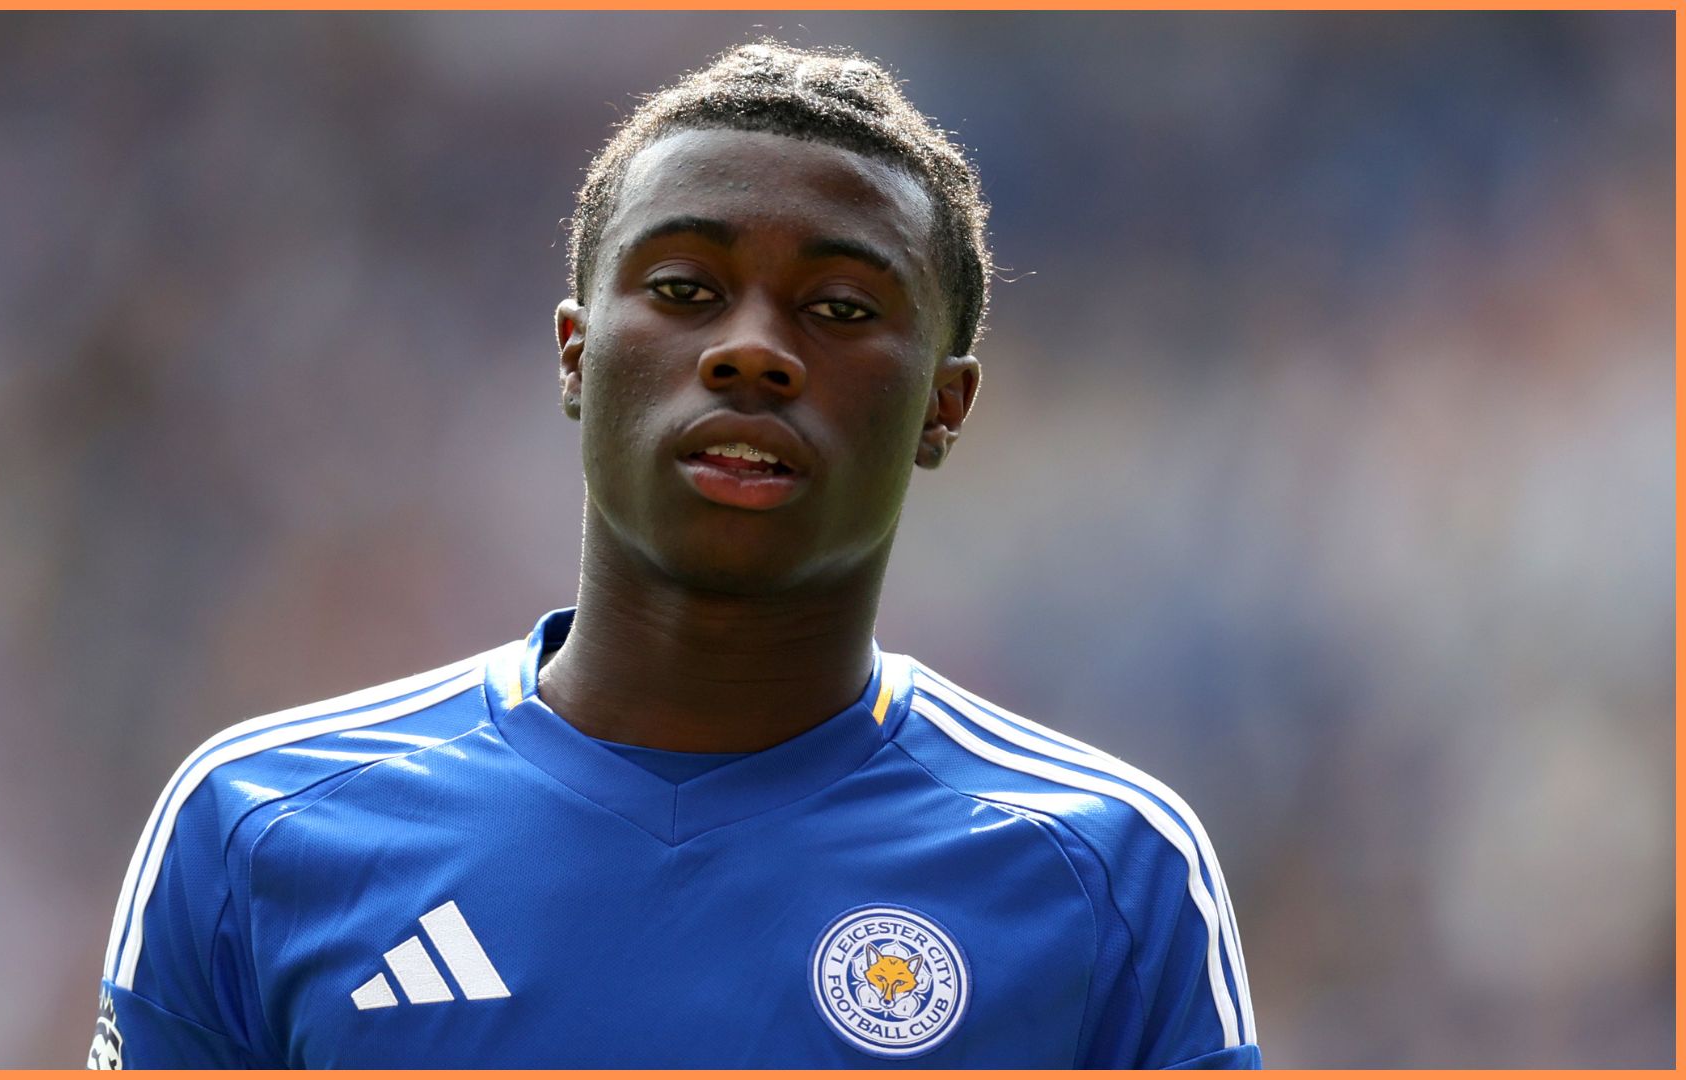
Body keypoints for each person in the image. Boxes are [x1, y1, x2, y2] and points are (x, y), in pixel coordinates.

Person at [90, 40, 1259, 1068]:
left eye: (841, 308)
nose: (752, 351)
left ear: (944, 408)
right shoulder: (260, 827)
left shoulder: (1108, 872)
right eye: (685, 288)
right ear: (575, 353)